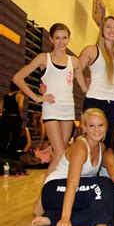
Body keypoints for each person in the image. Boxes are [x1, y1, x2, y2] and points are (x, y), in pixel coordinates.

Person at [30, 108, 114, 226]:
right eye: (91, 126)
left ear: (106, 127)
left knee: (109, 206)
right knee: (103, 184)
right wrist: (65, 218)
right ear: (84, 128)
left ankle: (52, 219)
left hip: (75, 191)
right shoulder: (80, 147)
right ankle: (98, 223)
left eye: (100, 125)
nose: (97, 130)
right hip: (54, 190)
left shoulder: (101, 147)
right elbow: (72, 183)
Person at [13, 23, 79, 173]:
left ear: (69, 39)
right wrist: (36, 98)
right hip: (52, 109)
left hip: (68, 110)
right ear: (51, 39)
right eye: (57, 38)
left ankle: (52, 191)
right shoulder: (44, 58)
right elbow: (18, 78)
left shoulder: (74, 61)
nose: (61, 42)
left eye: (64, 38)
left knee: (61, 155)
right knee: (61, 153)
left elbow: (83, 81)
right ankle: (44, 195)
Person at [77, 16, 114, 147]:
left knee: (110, 141)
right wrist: (84, 88)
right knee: (91, 140)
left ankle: (104, 167)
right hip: (95, 100)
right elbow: (76, 69)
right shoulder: (92, 50)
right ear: (102, 29)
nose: (112, 30)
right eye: (108, 26)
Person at [0, 82, 25, 154]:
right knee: (15, 137)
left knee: (3, 137)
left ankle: (2, 153)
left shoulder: (5, 96)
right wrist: (20, 115)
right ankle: (11, 153)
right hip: (15, 118)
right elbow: (20, 106)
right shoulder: (20, 96)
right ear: (20, 87)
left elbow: (1, 109)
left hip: (5, 118)